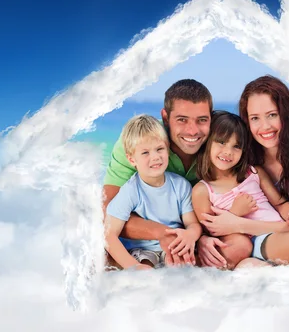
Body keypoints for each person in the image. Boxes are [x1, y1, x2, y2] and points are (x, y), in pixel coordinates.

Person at [102, 79, 253, 268]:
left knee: (240, 246)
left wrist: (201, 238)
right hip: (149, 241)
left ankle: (188, 279)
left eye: (202, 120)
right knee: (98, 253)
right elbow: (107, 214)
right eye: (182, 120)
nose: (192, 131)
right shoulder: (139, 143)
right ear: (166, 117)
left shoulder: (220, 147)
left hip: (191, 234)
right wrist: (162, 233)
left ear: (211, 119)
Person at [200, 75, 289, 262]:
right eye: (255, 118)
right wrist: (203, 238)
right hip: (273, 243)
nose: (264, 126)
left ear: (287, 114)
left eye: (272, 115)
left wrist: (238, 224)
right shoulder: (247, 161)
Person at [105, 114, 202, 270]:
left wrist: (190, 235)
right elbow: (109, 234)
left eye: (159, 149)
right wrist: (133, 266)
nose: (155, 157)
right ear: (131, 160)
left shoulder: (181, 185)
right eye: (145, 153)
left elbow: (192, 224)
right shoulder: (130, 190)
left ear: (168, 150)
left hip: (174, 246)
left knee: (191, 269)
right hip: (142, 251)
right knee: (147, 273)